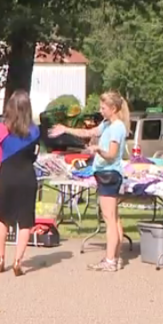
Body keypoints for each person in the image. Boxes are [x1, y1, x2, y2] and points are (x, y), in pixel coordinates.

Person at [49, 91, 130, 272]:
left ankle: (110, 260)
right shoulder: (107, 124)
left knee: (110, 219)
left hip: (109, 174)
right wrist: (66, 129)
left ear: (114, 108)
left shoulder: (117, 127)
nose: (100, 111)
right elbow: (89, 132)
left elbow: (111, 154)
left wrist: (97, 149)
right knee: (114, 218)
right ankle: (115, 258)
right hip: (105, 174)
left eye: (103, 108)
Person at [0, 90, 42, 276]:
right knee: (25, 222)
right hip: (26, 176)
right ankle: (17, 261)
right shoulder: (35, 130)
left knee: (3, 218)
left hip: (7, 175)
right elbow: (34, 156)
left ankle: (0, 258)